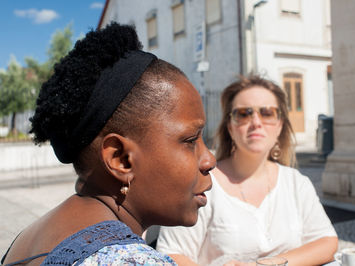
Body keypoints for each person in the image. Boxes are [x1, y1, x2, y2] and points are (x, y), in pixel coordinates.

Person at [1, 22, 215, 265]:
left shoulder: (31, 236)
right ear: (120, 159)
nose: (210, 160)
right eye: (190, 140)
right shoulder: (128, 260)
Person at [156, 75, 338, 266]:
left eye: (267, 113)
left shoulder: (295, 182)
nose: (256, 122)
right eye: (243, 113)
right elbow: (171, 255)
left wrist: (275, 263)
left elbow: (326, 241)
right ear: (230, 128)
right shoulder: (201, 185)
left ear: (280, 125)